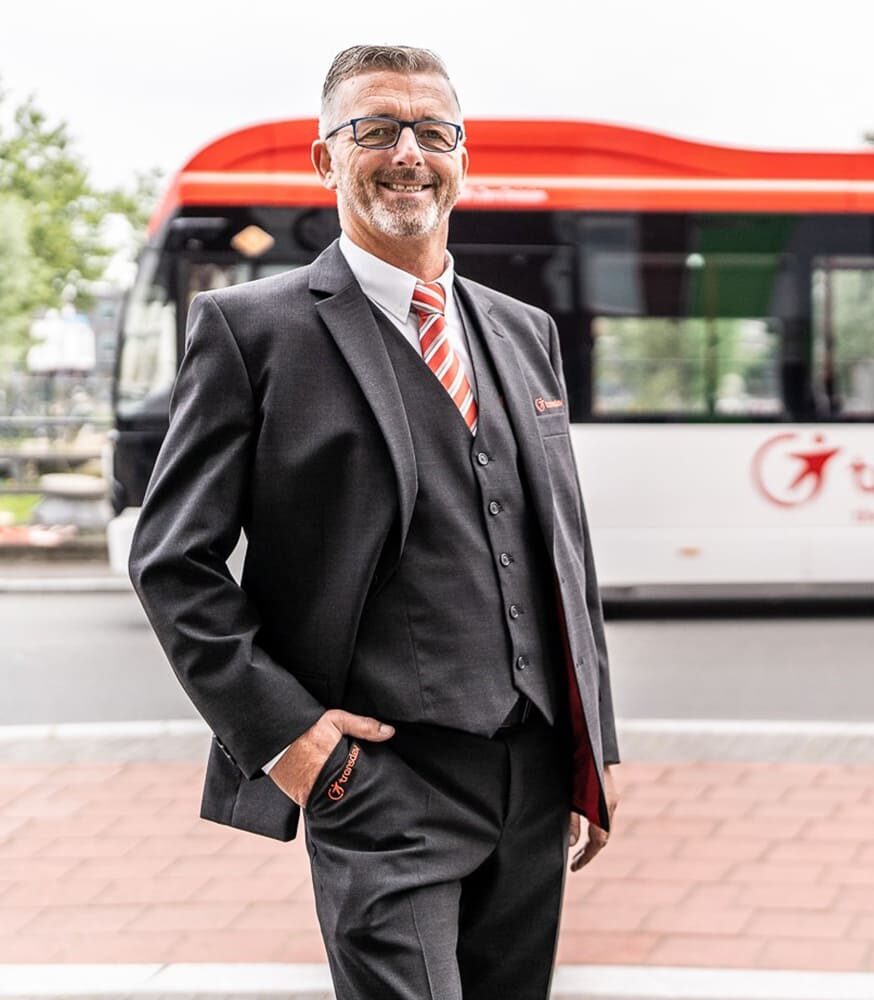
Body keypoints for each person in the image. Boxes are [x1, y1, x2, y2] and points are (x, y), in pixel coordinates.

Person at [129, 44, 619, 999]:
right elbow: (172, 560)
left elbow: (563, 552)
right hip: (380, 781)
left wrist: (587, 754)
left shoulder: (524, 332)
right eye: (377, 129)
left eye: (433, 132)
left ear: (462, 157)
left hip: (530, 778)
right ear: (325, 159)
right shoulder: (251, 329)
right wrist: (293, 741)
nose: (408, 154)